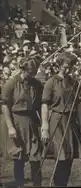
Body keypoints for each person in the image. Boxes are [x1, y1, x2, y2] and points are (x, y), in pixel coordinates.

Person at [40, 52, 81, 187]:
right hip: (57, 121)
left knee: (70, 156)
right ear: (59, 65)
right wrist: (45, 126)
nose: (68, 69)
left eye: (70, 66)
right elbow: (45, 105)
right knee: (61, 155)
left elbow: (78, 102)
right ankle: (59, 183)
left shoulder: (73, 82)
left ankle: (62, 183)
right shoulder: (51, 82)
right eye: (65, 67)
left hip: (71, 121)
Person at [1, 58, 42, 187]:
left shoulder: (36, 84)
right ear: (23, 70)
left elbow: (40, 105)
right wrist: (10, 126)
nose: (33, 75)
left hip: (31, 120)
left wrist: (43, 123)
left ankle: (37, 184)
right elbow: (4, 106)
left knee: (35, 155)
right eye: (30, 72)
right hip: (16, 120)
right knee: (18, 156)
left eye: (35, 72)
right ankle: (19, 183)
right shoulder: (11, 83)